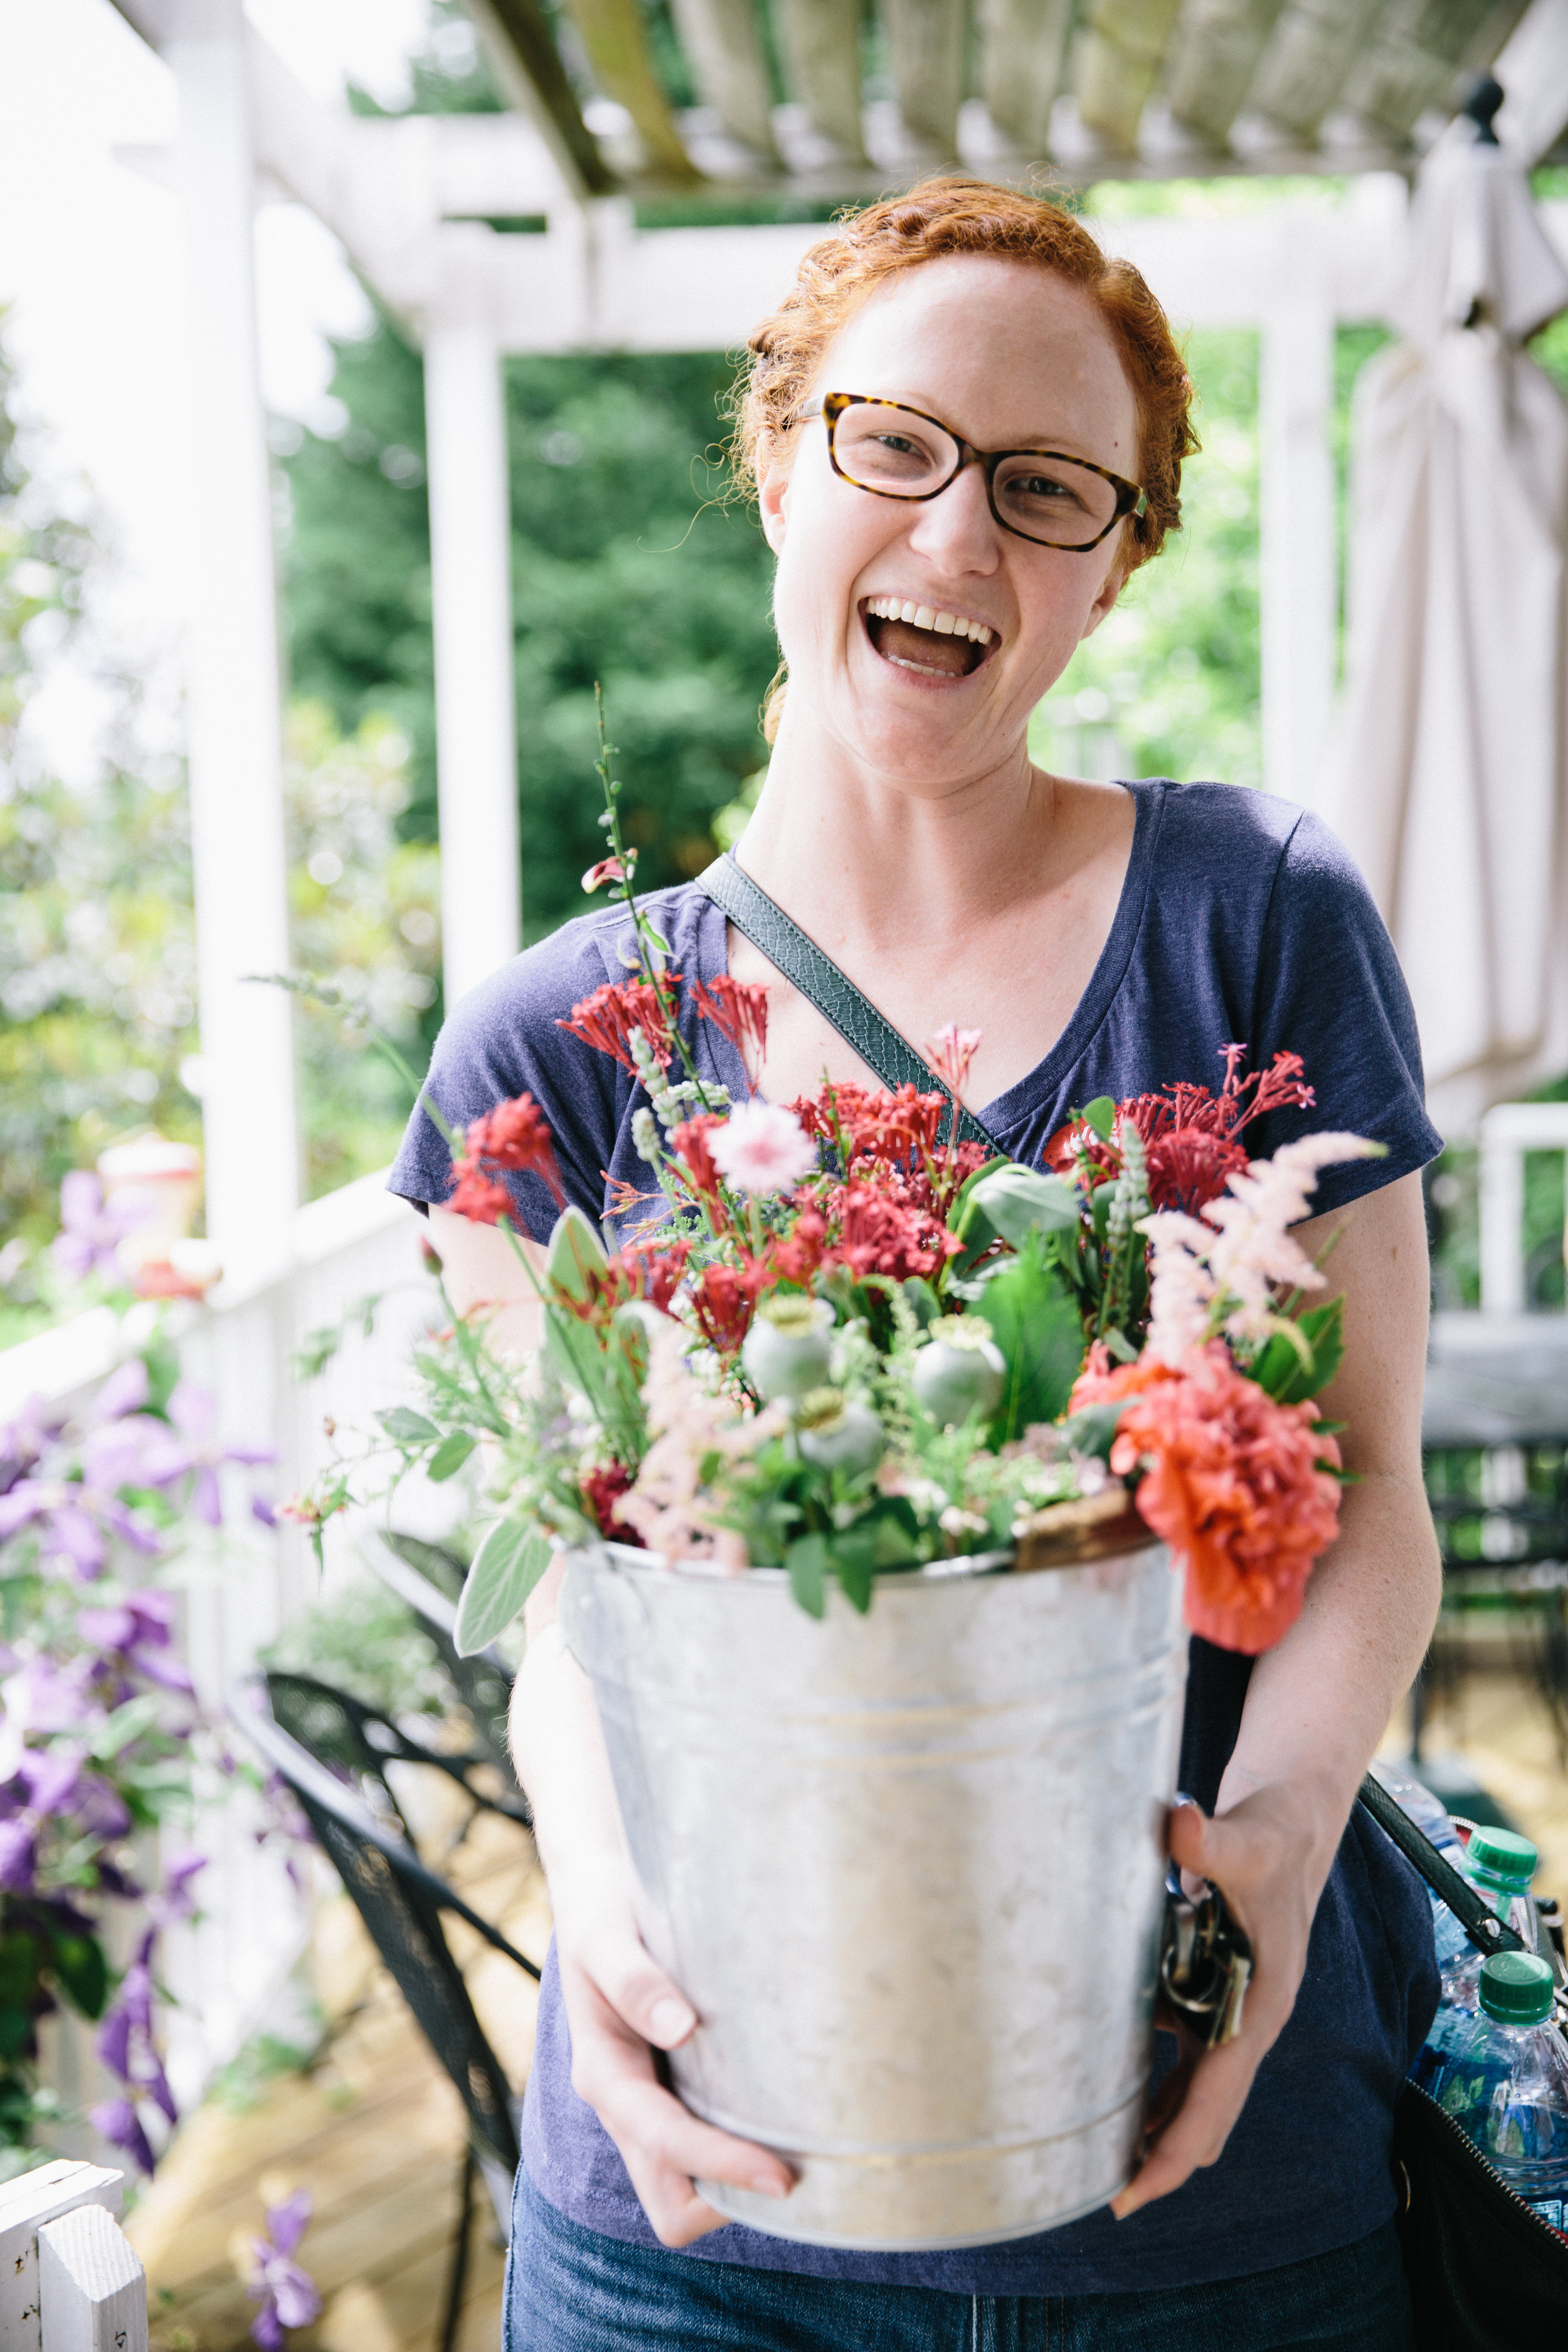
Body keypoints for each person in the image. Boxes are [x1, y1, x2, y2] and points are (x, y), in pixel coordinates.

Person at [390, 177, 1443, 2351]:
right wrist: (594, 1916)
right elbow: (576, 1599)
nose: (958, 539)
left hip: (1207, 2179)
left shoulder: (1255, 918)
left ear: (1116, 562)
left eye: (1048, 491)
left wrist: (1268, 1855)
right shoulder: (556, 1048)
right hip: (704, 2211)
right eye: (895, 444)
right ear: (781, 455)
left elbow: (1371, 1510)